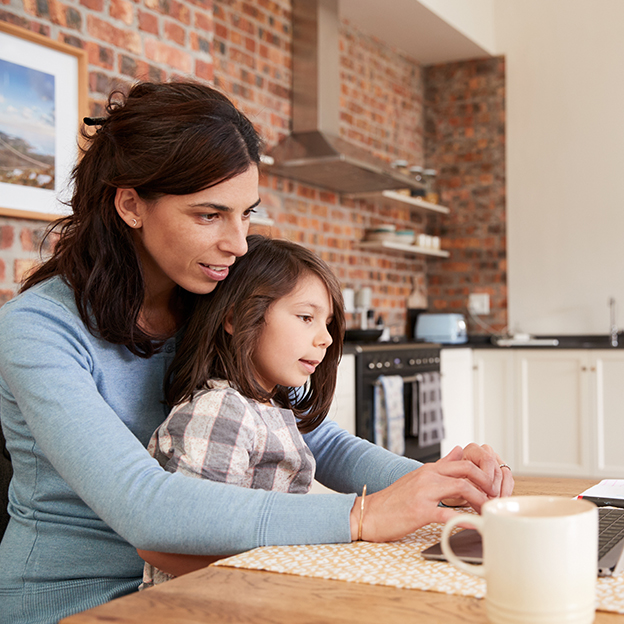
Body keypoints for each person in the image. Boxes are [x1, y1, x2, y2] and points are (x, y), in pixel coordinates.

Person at [0, 80, 513, 624]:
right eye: (209, 215)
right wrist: (361, 515)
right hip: (79, 603)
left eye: (247, 214)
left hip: (216, 579)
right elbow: (144, 505)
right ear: (130, 204)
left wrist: (440, 484)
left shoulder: (205, 297)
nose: (238, 243)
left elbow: (313, 436)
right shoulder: (38, 329)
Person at [140, 234, 346, 587]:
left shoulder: (269, 408)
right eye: (305, 317)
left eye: (326, 322)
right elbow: (188, 538)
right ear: (235, 318)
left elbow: (296, 502)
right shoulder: (221, 412)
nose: (325, 338)